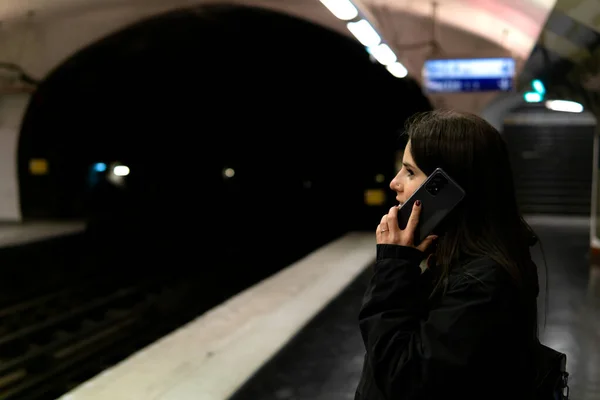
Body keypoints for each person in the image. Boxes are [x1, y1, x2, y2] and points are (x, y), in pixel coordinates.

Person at [354, 110, 540, 400]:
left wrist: (393, 265)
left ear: (447, 190)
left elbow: (402, 376)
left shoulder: (484, 283)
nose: (395, 182)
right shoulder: (456, 261)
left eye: (410, 172)